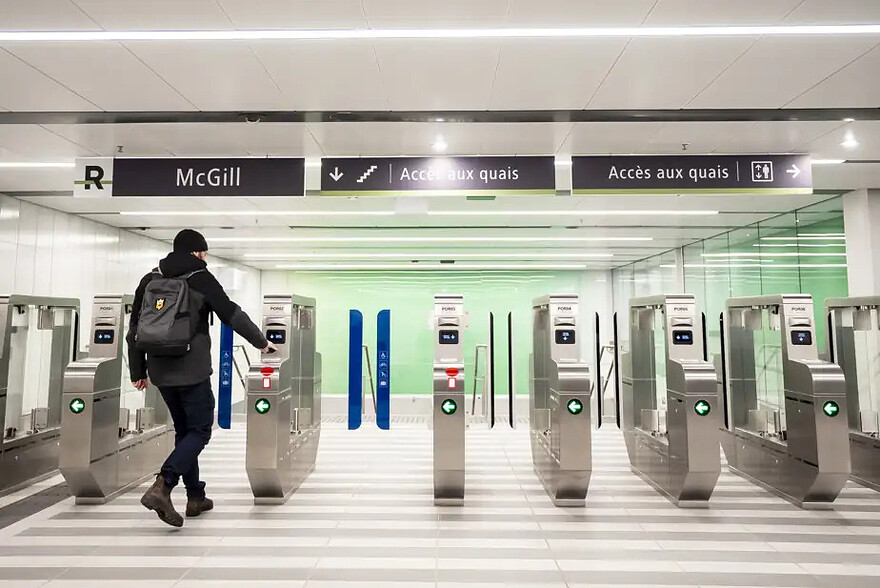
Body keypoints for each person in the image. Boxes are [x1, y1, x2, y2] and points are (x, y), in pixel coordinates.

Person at [127, 229, 275, 527]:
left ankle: (196, 496)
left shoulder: (149, 280)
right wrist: (261, 342)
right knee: (200, 431)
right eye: (203, 253)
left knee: (185, 433)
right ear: (196, 252)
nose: (205, 258)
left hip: (159, 369)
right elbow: (231, 313)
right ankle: (164, 483)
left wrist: (137, 371)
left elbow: (134, 329)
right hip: (191, 369)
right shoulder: (200, 278)